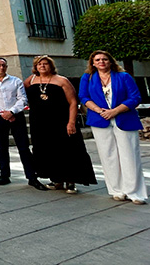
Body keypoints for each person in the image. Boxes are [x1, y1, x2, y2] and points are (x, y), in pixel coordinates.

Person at [79, 50, 146, 204]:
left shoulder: (124, 76)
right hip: (100, 119)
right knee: (108, 155)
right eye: (97, 60)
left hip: (124, 118)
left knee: (129, 155)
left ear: (110, 61)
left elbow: (135, 97)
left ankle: (135, 193)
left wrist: (115, 111)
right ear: (93, 63)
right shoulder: (87, 78)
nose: (101, 62)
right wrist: (99, 110)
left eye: (104, 59)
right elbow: (83, 97)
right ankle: (117, 190)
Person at [25, 55, 96, 194]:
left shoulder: (62, 80)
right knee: (48, 150)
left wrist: (71, 122)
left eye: (45, 64)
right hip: (40, 123)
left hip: (60, 121)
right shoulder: (31, 80)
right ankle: (56, 179)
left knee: (67, 150)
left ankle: (71, 181)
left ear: (51, 66)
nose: (42, 66)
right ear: (35, 67)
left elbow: (73, 102)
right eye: (39, 64)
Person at [0, 57, 48, 190]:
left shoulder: (15, 81)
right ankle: (4, 175)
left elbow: (22, 99)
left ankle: (32, 177)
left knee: (23, 147)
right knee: (2, 147)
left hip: (16, 116)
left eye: (4, 65)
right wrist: (3, 113)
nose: (1, 68)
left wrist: (11, 112)